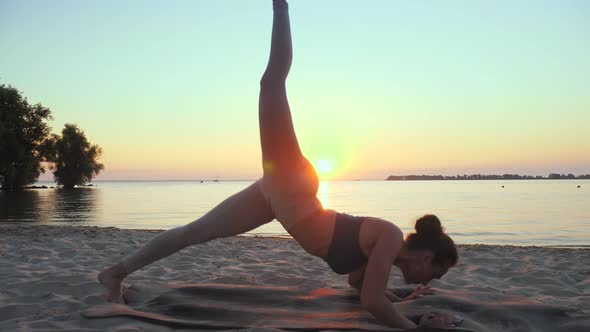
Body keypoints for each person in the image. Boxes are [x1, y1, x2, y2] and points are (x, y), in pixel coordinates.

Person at [99, 0, 458, 329]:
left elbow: (360, 287)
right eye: (435, 274)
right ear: (427, 257)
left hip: (281, 199)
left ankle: (115, 273)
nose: (429, 282)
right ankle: (281, 5)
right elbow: (370, 302)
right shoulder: (391, 238)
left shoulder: (386, 255)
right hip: (293, 188)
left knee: (193, 233)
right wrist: (416, 328)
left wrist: (402, 298)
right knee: (272, 81)